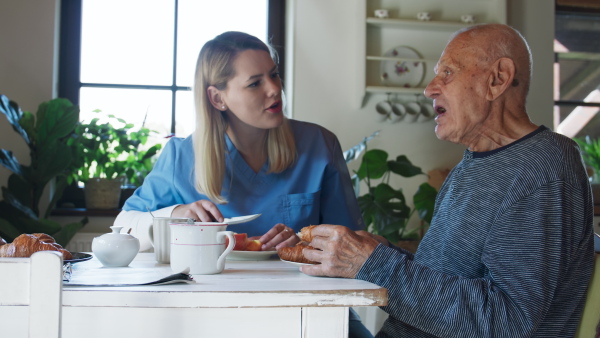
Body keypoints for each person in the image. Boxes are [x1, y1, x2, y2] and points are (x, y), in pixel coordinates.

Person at [301, 24, 595, 338]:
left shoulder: (544, 165)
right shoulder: (474, 162)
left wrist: (375, 265)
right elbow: (450, 280)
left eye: (448, 73)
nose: (429, 89)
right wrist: (382, 254)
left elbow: (507, 321)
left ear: (497, 79)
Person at [114, 31, 371, 337]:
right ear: (217, 98)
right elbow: (124, 227)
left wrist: (303, 246)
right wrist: (177, 213)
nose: (275, 89)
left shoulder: (319, 145)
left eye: (274, 75)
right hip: (208, 314)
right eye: (255, 83)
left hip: (308, 311)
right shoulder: (181, 157)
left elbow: (351, 243)